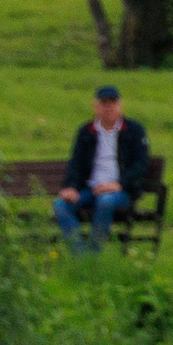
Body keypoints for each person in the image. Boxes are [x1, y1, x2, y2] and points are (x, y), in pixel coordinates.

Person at [54, 85, 151, 253]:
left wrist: (118, 184)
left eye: (112, 103)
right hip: (90, 188)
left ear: (120, 105)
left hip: (120, 191)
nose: (109, 107)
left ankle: (94, 251)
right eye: (104, 103)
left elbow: (141, 164)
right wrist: (71, 187)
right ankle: (80, 255)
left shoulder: (134, 130)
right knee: (60, 205)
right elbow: (76, 163)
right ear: (95, 106)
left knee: (105, 201)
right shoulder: (86, 132)